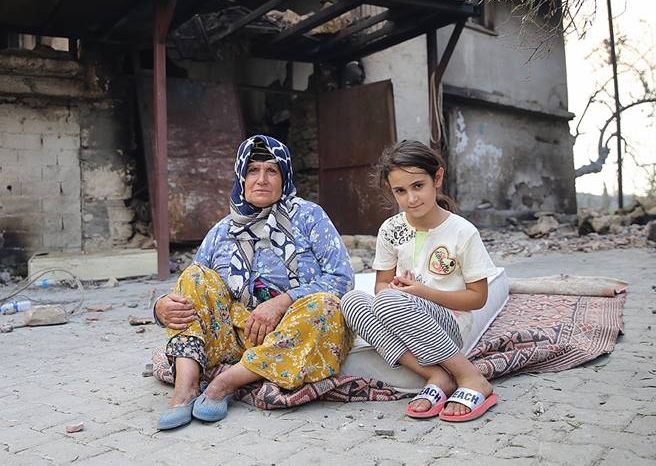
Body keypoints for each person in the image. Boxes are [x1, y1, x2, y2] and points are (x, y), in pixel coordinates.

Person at [153, 135, 354, 430]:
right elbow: (192, 289)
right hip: (236, 333)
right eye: (253, 170)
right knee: (194, 276)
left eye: (271, 171)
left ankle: (225, 383)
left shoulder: (310, 217)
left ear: (284, 177)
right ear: (241, 176)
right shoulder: (222, 230)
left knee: (325, 307)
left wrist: (283, 301)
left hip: (293, 328)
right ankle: (185, 389)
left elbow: (341, 278)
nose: (261, 179)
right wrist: (160, 309)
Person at [340, 140, 498, 422]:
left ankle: (470, 377)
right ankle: (436, 375)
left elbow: (478, 297)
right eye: (401, 191)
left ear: (437, 178)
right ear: (391, 190)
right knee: (352, 300)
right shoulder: (391, 230)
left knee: (389, 301)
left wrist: (421, 293)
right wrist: (396, 289)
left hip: (449, 323)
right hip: (403, 317)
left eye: (418, 186)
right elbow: (381, 287)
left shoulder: (462, 232)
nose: (411, 198)